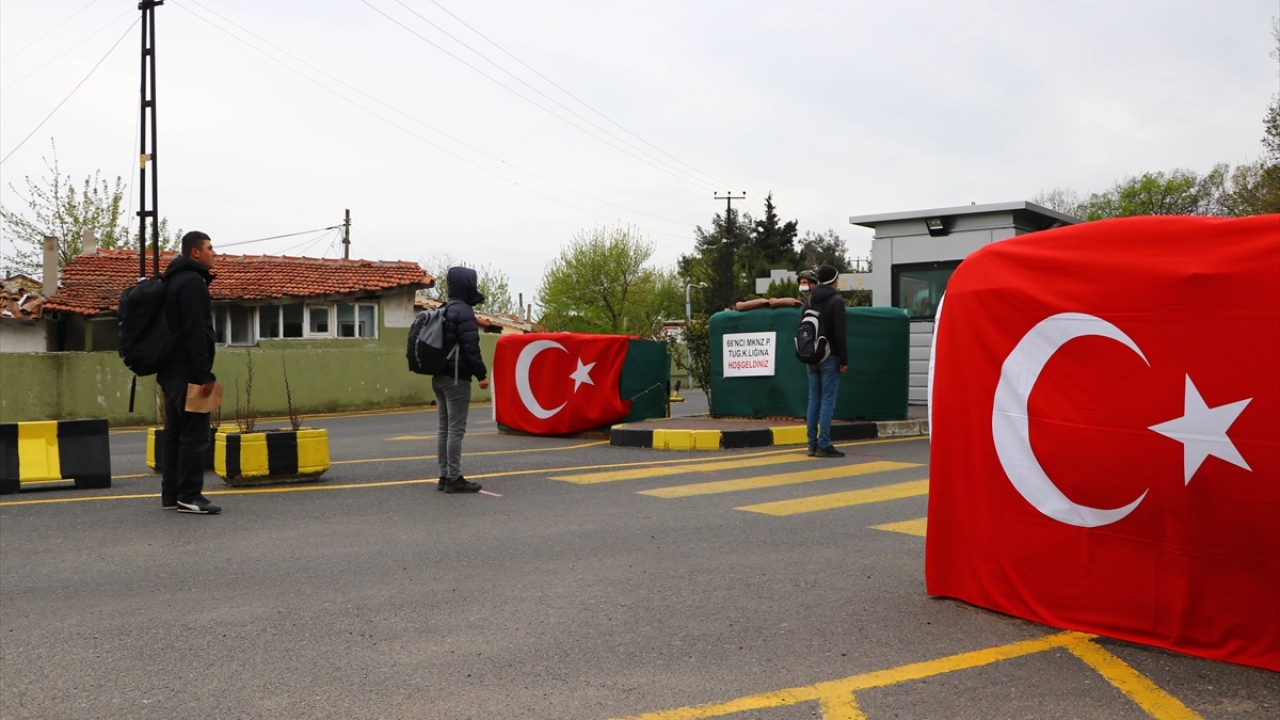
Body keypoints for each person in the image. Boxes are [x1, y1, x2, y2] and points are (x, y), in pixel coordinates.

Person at [158, 231, 221, 514]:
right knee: (195, 434)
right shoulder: (193, 283)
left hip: (169, 369)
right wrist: (203, 374)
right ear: (195, 252)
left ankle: (172, 495)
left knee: (174, 434)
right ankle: (190, 495)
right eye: (209, 248)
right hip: (188, 371)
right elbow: (196, 331)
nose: (214, 253)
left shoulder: (172, 280)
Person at [434, 266, 490, 493]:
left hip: (438, 376)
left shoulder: (443, 309)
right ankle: (454, 479)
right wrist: (482, 374)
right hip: (457, 378)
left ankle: (444, 476)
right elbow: (470, 347)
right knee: (456, 429)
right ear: (467, 284)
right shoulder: (464, 311)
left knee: (444, 428)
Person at [805, 264, 848, 458]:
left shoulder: (809, 301)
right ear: (833, 281)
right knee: (828, 400)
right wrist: (843, 359)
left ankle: (812, 444)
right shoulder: (835, 302)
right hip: (829, 356)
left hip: (811, 356)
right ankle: (824, 444)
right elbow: (840, 334)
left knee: (814, 399)